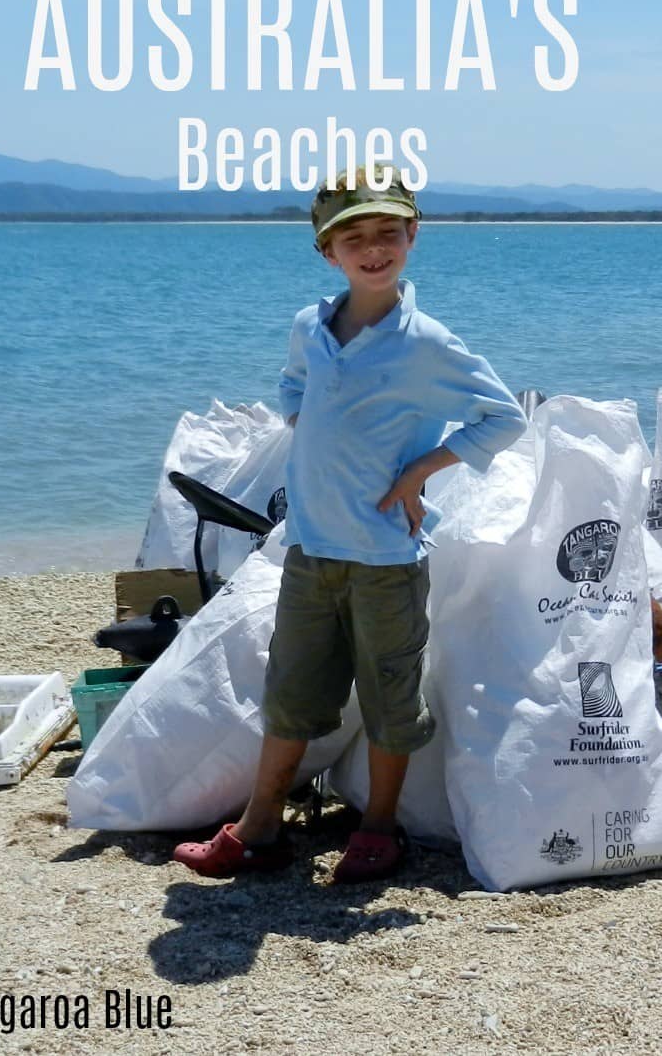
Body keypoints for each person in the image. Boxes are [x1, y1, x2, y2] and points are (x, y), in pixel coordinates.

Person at [174, 169, 527, 882]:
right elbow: (292, 385)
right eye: (353, 237)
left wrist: (420, 470)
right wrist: (309, 429)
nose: (373, 249)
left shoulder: (426, 343)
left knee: (391, 697)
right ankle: (261, 827)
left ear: (412, 236)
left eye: (387, 232)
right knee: (291, 692)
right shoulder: (310, 326)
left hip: (387, 558)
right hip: (309, 548)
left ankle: (378, 829)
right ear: (326, 251)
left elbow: (504, 417)